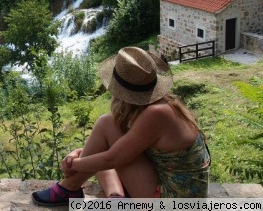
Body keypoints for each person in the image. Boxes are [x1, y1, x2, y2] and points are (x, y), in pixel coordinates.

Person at [32, 47, 210, 206]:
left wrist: (73, 164)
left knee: (106, 124)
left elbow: (112, 159)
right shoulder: (163, 104)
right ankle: (115, 197)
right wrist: (76, 155)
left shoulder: (156, 113)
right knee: (107, 130)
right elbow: (120, 149)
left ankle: (68, 188)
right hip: (168, 183)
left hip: (171, 199)